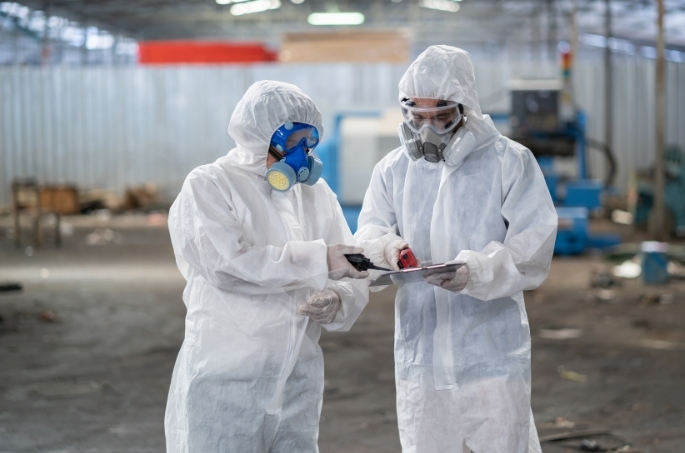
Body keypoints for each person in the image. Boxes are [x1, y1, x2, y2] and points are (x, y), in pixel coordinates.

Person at [355, 45, 557, 453]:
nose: (428, 130)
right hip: (421, 355)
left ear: (466, 109)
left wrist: (476, 271)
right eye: (419, 117)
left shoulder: (509, 162)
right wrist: (386, 250)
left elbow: (534, 244)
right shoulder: (393, 169)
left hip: (491, 352)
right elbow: (366, 238)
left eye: (442, 117)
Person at [165, 80, 369, 452]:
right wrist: (319, 259)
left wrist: (339, 297)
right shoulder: (210, 184)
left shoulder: (315, 193)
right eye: (292, 142)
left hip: (297, 379)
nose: (303, 153)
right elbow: (227, 266)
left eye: (309, 142)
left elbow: (351, 259)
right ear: (256, 134)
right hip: (228, 379)